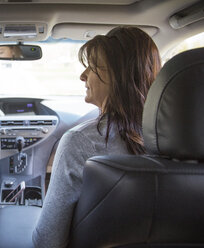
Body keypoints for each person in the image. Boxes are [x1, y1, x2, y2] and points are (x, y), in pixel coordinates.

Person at [32, 26, 161, 248]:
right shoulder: (182, 143)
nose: (83, 75)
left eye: (91, 67)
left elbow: (47, 242)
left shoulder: (81, 141)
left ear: (118, 75)